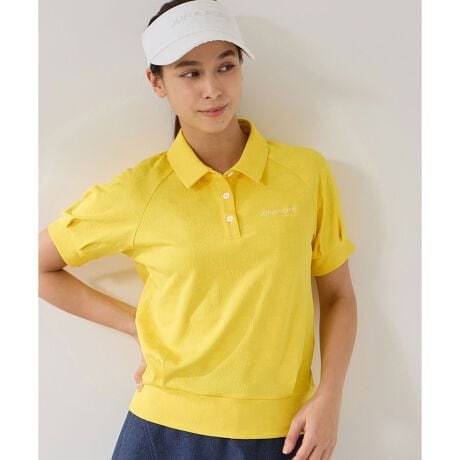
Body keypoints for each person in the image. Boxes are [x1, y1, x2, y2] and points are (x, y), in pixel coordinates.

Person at [38, 0, 358, 459]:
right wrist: (137, 326)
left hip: (283, 431)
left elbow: (338, 295)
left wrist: (331, 396)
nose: (213, 89)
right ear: (157, 82)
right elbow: (35, 267)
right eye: (190, 73)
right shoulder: (139, 192)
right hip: (163, 430)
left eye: (226, 66)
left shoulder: (306, 174)